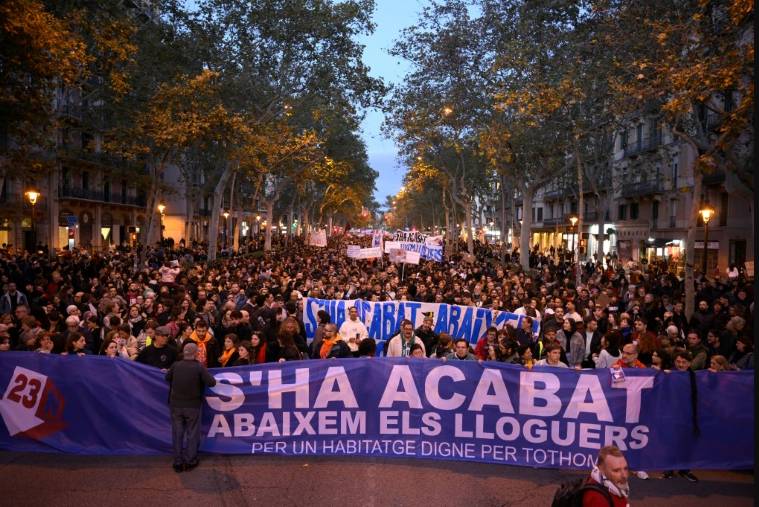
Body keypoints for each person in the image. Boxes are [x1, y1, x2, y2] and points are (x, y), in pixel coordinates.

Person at [165, 343, 217, 473]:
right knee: (192, 433)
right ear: (196, 354)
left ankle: (177, 461)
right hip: (193, 405)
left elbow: (167, 378)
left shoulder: (176, 365)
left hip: (176, 405)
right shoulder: (198, 367)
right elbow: (212, 382)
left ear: (184, 352)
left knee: (177, 433)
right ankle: (190, 461)